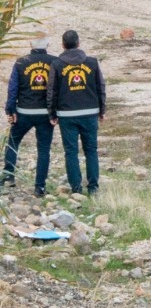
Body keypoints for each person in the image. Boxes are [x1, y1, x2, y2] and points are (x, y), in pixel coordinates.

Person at [49, 30, 105, 194]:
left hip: (67, 115)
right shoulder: (92, 63)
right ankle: (93, 187)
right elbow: (100, 87)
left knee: (71, 152)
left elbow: (52, 91)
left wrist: (52, 113)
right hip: (89, 113)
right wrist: (102, 109)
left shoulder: (57, 65)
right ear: (79, 43)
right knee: (91, 150)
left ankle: (76, 188)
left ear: (63, 45)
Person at [3, 36, 55, 196]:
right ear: (48, 44)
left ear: (30, 44)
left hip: (24, 112)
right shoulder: (54, 61)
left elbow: (13, 89)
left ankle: (8, 175)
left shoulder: (21, 62)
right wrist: (55, 112)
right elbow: (57, 90)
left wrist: (10, 110)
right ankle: (39, 187)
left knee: (13, 142)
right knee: (44, 149)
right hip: (45, 114)